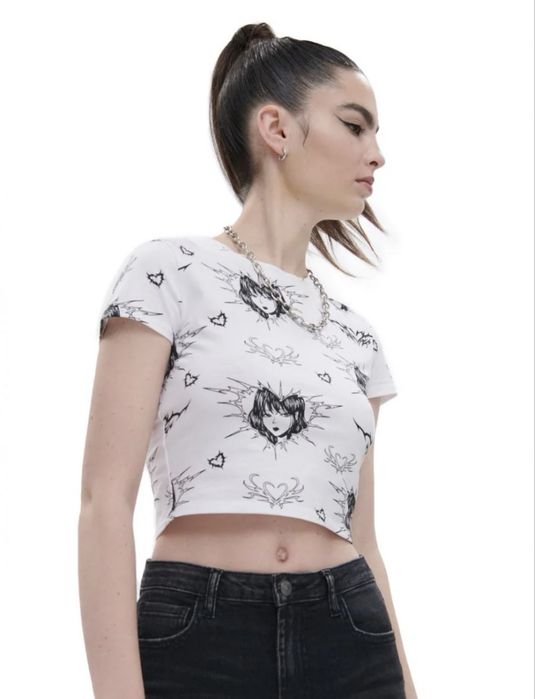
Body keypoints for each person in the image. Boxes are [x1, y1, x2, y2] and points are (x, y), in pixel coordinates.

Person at [78, 21, 417, 699]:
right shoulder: (167, 272)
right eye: (355, 126)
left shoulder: (356, 337)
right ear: (276, 128)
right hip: (200, 634)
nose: (376, 154)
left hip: (350, 631)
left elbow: (363, 535)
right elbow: (103, 504)